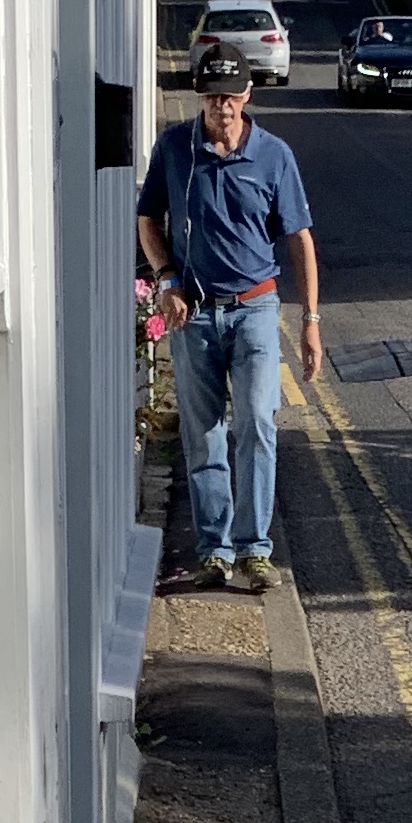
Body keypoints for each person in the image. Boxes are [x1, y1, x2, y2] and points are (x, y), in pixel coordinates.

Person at [136, 49, 321, 592]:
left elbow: (300, 239)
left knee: (258, 423)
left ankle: (254, 550)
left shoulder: (274, 155)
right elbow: (148, 217)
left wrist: (310, 320)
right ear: (201, 97)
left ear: (247, 96)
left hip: (255, 308)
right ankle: (214, 551)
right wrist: (166, 279)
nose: (222, 107)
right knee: (203, 434)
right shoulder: (175, 148)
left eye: (231, 96)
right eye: (212, 96)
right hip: (193, 311)